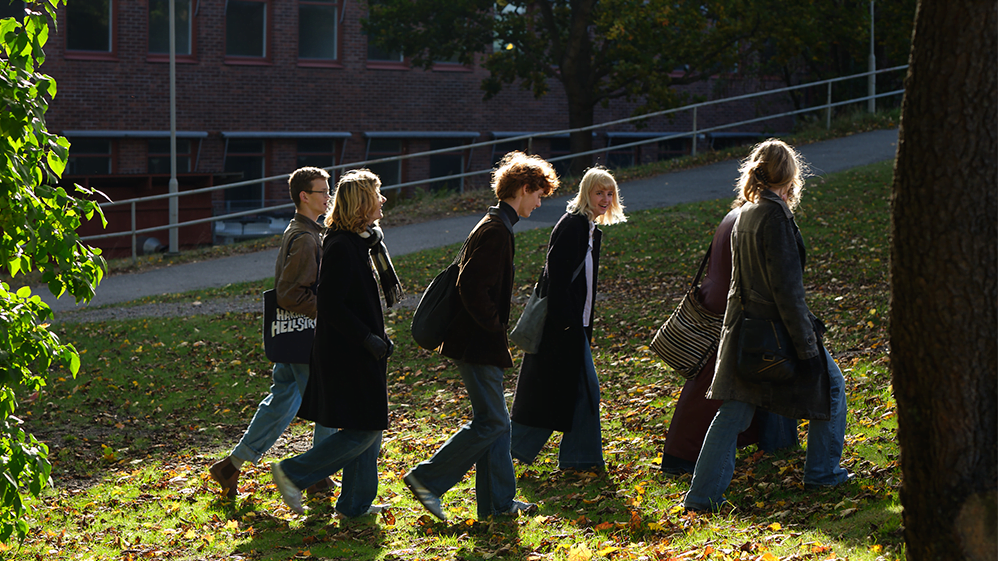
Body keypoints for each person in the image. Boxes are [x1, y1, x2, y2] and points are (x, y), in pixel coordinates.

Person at [683, 139, 851, 513]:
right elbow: (786, 290)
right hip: (773, 332)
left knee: (734, 412)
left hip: (748, 331)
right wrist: (807, 349)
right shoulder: (774, 216)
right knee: (832, 386)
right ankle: (823, 472)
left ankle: (701, 495)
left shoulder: (747, 211)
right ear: (790, 175)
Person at [403, 151, 559, 521]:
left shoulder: (495, 225)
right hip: (475, 344)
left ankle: (498, 504)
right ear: (523, 189)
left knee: (497, 424)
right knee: (492, 422)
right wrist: (494, 329)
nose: (539, 203)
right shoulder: (495, 231)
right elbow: (471, 286)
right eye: (538, 194)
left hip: (475, 342)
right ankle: (428, 479)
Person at [270, 169, 404, 517]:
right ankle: (293, 473)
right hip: (348, 352)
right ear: (362, 202)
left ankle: (355, 505)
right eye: (378, 194)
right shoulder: (342, 245)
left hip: (362, 350)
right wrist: (368, 338)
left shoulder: (362, 241)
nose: (383, 200)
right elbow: (330, 305)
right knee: (366, 428)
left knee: (368, 428)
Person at [209, 166, 337, 499]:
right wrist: (329, 309)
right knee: (328, 403)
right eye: (323, 192)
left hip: (292, 338)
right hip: (305, 337)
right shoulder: (306, 237)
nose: (329, 197)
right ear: (304, 196)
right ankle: (316, 475)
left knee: (281, 401)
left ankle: (230, 466)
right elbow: (290, 294)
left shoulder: (301, 230)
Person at [659, 206, 798, 477]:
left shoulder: (736, 215)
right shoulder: (754, 217)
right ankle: (688, 458)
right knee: (724, 395)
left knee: (734, 386)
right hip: (732, 312)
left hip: (721, 305)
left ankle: (778, 444)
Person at [508, 166, 626, 472]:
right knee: (578, 389)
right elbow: (556, 280)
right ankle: (575, 458)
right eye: (599, 192)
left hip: (576, 324)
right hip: (562, 326)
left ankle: (575, 458)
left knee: (567, 391)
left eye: (609, 192)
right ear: (586, 193)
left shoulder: (590, 230)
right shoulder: (572, 226)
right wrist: (568, 325)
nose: (605, 198)